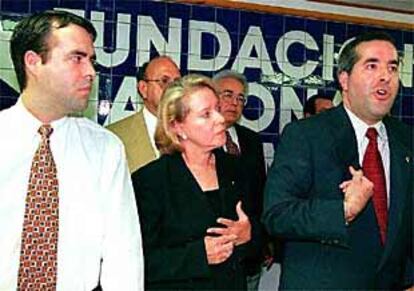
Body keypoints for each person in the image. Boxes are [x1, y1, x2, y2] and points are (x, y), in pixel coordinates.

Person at [0, 10, 144, 290]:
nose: (90, 72)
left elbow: (123, 252)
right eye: (76, 58)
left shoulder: (105, 148)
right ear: (33, 62)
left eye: (91, 61)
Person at [262, 31, 413, 289]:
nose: (385, 76)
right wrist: (342, 211)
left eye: (392, 67)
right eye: (372, 65)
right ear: (344, 79)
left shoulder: (406, 139)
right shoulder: (307, 135)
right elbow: (277, 215)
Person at [132, 74, 262, 290]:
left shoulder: (239, 170)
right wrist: (198, 256)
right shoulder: (150, 182)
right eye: (206, 114)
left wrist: (249, 235)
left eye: (218, 110)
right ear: (177, 127)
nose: (220, 119)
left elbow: (262, 237)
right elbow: (138, 261)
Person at [213, 69, 268, 290]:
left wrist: (263, 242)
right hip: (215, 254)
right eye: (227, 94)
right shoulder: (200, 141)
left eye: (240, 98)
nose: (235, 103)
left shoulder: (252, 141)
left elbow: (260, 195)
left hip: (249, 257)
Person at [107, 55, 181, 172]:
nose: (172, 89)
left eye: (177, 83)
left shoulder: (192, 133)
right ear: (143, 89)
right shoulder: (114, 137)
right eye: (164, 81)